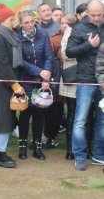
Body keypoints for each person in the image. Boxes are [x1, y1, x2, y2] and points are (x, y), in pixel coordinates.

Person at [0, 3, 24, 168]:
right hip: (1, 83)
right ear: (2, 21)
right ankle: (0, 153)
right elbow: (3, 65)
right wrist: (15, 85)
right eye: (10, 19)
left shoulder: (1, 36)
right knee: (2, 119)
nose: (13, 22)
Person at [66, 0, 104, 171]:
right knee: (80, 120)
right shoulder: (79, 28)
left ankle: (99, 156)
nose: (97, 18)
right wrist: (89, 45)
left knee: (102, 120)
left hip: (103, 82)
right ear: (87, 13)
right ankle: (79, 156)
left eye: (100, 15)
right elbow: (69, 52)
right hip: (86, 80)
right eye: (94, 15)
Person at [16, 10, 53, 160]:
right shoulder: (17, 38)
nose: (30, 25)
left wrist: (46, 78)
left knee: (39, 115)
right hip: (26, 79)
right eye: (26, 22)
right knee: (24, 115)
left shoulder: (43, 34)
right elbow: (21, 61)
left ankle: (37, 148)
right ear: (21, 24)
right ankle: (22, 148)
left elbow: (49, 56)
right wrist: (39, 72)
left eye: (32, 21)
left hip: (42, 81)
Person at [60, 9, 93, 160]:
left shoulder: (97, 29)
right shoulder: (71, 29)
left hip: (91, 76)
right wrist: (86, 47)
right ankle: (71, 149)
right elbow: (65, 53)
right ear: (79, 16)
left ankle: (87, 147)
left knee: (90, 114)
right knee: (73, 113)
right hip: (73, 75)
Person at [43, 13, 77, 150]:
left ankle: (74, 141)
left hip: (73, 77)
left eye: (67, 23)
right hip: (57, 78)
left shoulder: (77, 38)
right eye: (62, 23)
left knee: (72, 111)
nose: (64, 25)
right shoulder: (55, 39)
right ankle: (52, 136)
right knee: (54, 110)